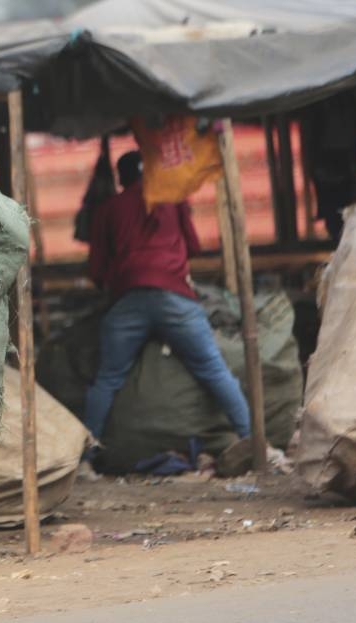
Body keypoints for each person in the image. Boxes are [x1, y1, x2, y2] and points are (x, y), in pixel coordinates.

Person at [83, 150, 251, 468]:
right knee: (213, 369)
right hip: (175, 296)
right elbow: (194, 246)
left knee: (107, 379)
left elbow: (97, 271)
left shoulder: (109, 209)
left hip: (128, 297)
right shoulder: (173, 200)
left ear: (122, 177)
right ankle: (252, 440)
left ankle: (87, 457)